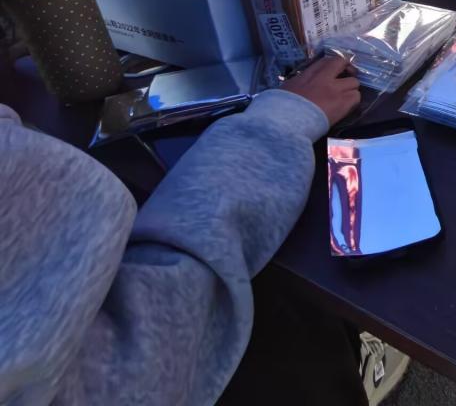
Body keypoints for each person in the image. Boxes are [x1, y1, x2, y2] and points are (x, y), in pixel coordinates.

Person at [0, 55, 368, 404]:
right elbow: (133, 365)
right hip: (181, 349)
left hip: (117, 288)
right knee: (292, 303)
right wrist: (279, 122)